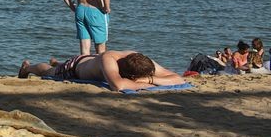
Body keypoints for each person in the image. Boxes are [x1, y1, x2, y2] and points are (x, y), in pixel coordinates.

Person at [18, 51, 185, 92]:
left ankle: (56, 61)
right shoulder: (109, 62)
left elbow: (178, 78)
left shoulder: (141, 59)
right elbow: (118, 86)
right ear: (132, 75)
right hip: (75, 68)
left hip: (90, 61)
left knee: (57, 66)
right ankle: (28, 67)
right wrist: (150, 82)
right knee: (50, 72)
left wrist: (149, 80)